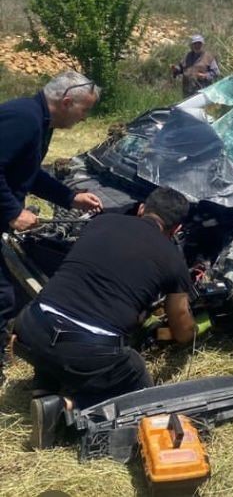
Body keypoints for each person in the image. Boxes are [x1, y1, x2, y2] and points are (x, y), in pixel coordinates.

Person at [14, 187, 196, 449]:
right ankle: (65, 409)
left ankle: (45, 385)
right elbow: (180, 327)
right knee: (136, 379)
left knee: (66, 323)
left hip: (29, 330)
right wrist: (190, 333)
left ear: (142, 209)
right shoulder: (173, 260)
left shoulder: (102, 221)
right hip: (85, 351)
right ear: (177, 228)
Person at [0, 71, 103, 387]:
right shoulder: (24, 118)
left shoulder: (39, 122)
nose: (84, 118)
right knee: (2, 293)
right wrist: (13, 211)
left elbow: (30, 174)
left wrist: (71, 197)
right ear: (67, 101)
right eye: (84, 110)